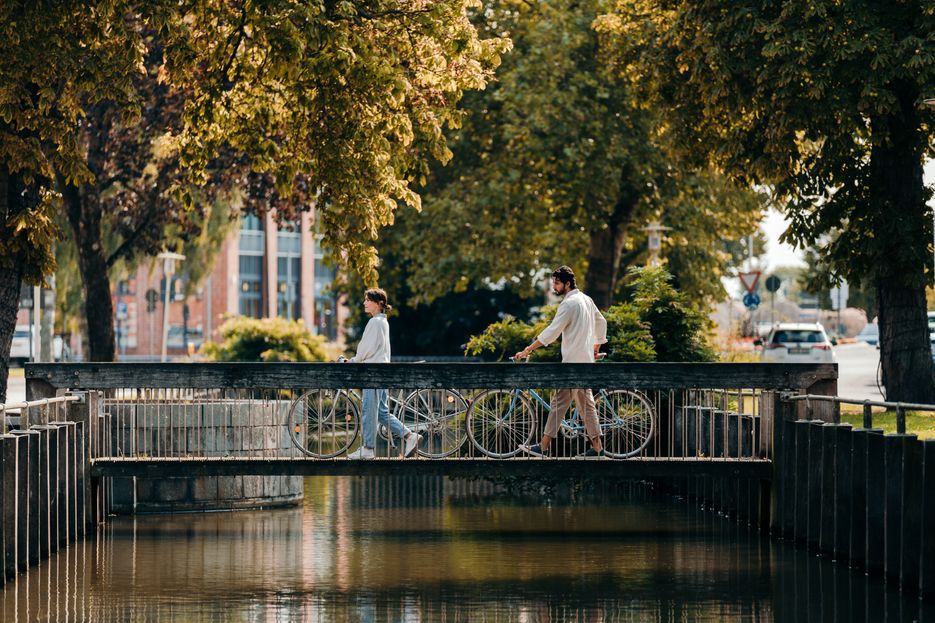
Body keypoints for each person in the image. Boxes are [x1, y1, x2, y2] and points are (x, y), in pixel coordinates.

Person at [514, 266, 607, 457]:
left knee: (583, 406)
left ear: (567, 283)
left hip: (574, 365)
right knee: (562, 403)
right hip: (582, 362)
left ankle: (595, 449)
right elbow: (601, 321)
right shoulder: (587, 300)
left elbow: (552, 331)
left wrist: (528, 349)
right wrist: (596, 346)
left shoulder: (569, 304)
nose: (554, 287)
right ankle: (544, 446)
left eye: (556, 283)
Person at [346, 288, 422, 459]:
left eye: (368, 300)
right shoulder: (383, 322)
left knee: (368, 410)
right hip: (382, 372)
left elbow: (365, 349)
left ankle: (368, 449)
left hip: (372, 373)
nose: (364, 303)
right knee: (381, 412)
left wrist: (353, 361)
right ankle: (410, 436)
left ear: (378, 303)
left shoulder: (374, 322)